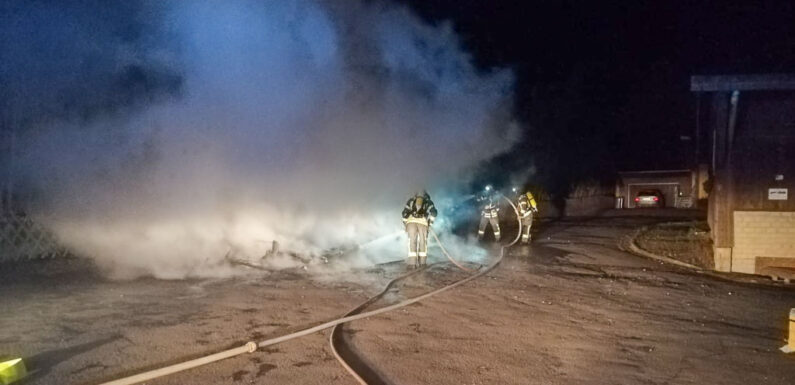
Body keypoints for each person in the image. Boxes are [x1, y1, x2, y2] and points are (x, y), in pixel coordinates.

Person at [401, 191, 437, 267]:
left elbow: (404, 213)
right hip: (423, 224)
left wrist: (406, 224)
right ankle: (422, 264)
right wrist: (430, 224)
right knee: (423, 243)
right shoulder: (428, 202)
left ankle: (412, 264)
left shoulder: (411, 201)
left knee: (412, 242)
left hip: (411, 223)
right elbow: (434, 213)